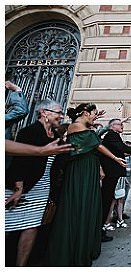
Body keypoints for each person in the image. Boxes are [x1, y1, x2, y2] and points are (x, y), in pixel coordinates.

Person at [46, 103, 127, 266]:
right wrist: (116, 158)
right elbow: (96, 143)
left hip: (88, 169)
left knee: (88, 205)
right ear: (84, 113)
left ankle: (84, 246)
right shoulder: (75, 126)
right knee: (80, 205)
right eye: (93, 114)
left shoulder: (82, 126)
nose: (95, 117)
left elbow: (94, 137)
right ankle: (75, 249)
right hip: (80, 171)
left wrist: (93, 120)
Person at [4, 99, 62, 266]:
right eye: (58, 112)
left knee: (32, 225)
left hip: (42, 186)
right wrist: (19, 187)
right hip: (22, 185)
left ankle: (21, 266)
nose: (61, 116)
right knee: (8, 225)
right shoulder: (29, 131)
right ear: (44, 113)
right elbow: (19, 162)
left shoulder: (55, 135)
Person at [99, 119, 131, 235]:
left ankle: (102, 227)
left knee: (109, 199)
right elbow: (123, 148)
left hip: (113, 173)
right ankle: (100, 229)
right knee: (106, 200)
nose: (122, 126)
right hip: (110, 173)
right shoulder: (112, 135)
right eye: (120, 124)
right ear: (112, 126)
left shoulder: (113, 135)